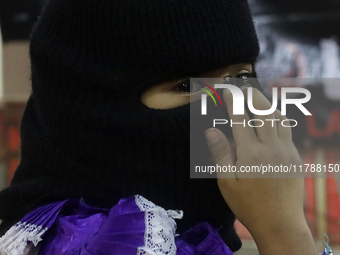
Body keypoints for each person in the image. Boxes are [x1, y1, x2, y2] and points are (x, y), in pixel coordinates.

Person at [0, 0, 317, 254]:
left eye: (242, 78)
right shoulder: (115, 242)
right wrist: (285, 235)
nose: (233, 105)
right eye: (186, 86)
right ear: (93, 115)